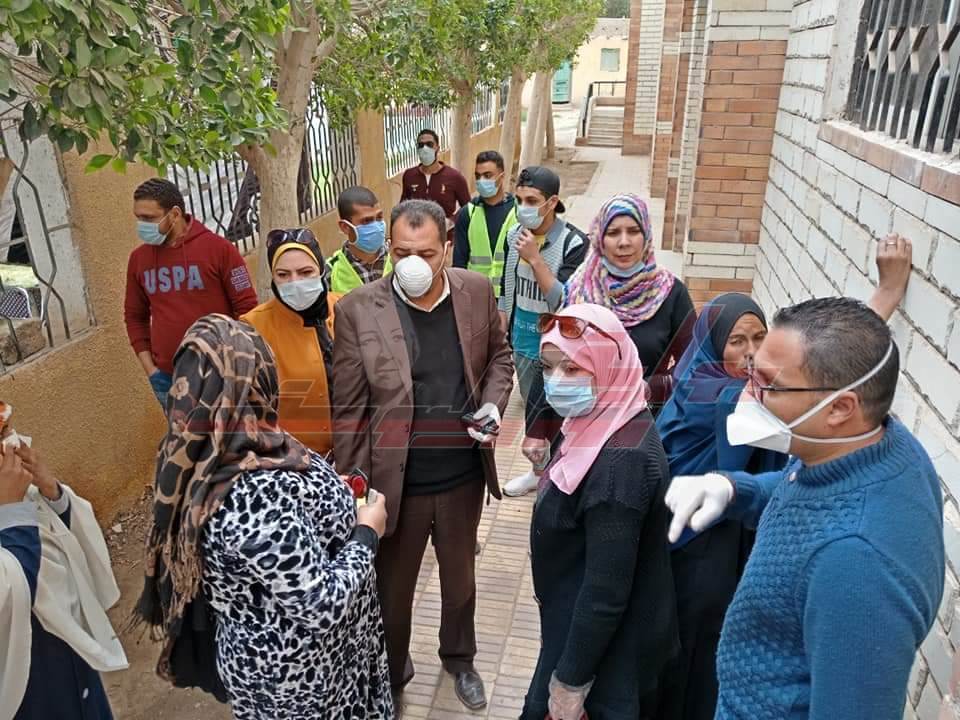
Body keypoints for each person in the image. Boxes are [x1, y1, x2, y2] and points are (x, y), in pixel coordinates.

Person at [654, 236, 914, 720]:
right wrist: (884, 297)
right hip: (696, 552)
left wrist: (736, 488)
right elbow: (828, 377)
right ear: (710, 343)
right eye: (737, 341)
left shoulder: (858, 552)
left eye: (760, 339)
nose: (752, 356)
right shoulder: (714, 394)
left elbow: (825, 381)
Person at [134, 315, 393, 719]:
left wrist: (328, 491)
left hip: (311, 665)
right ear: (252, 382)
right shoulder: (251, 492)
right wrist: (366, 533)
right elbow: (319, 604)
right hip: (304, 680)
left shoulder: (220, 448)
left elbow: (284, 525)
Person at [332, 199, 514, 711]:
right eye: (402, 252)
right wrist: (355, 490)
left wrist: (493, 405)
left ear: (447, 249)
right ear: (389, 248)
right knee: (392, 593)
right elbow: (348, 410)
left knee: (460, 584)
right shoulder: (357, 309)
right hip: (395, 487)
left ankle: (460, 659)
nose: (413, 264)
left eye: (427, 253)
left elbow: (499, 358)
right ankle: (392, 674)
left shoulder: (475, 292)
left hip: (462, 477)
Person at [520, 304, 679, 720]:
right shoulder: (603, 418)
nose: (556, 381)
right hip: (579, 629)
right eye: (548, 367)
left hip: (605, 659)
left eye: (573, 368)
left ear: (609, 365)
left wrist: (570, 684)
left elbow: (604, 593)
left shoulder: (620, 464)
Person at [0, 403, 127, 720]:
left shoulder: (16, 491)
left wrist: (52, 491)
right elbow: (10, 595)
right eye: (3, 437)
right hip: (31, 677)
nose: (13, 444)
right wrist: (11, 514)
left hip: (72, 648)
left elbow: (59, 536)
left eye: (7, 430)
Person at [124, 177, 258, 410]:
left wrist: (238, 366)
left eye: (149, 218)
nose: (142, 225)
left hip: (221, 374)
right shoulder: (139, 259)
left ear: (175, 214)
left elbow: (247, 309)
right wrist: (152, 371)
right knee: (184, 436)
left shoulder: (220, 250)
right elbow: (135, 316)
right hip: (168, 378)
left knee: (231, 433)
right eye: (139, 218)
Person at [499, 166, 588, 498]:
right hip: (523, 340)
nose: (523, 208)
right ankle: (539, 473)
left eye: (532, 201)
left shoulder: (574, 243)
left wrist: (536, 260)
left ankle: (567, 474)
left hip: (559, 349)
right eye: (519, 199)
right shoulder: (514, 234)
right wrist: (503, 324)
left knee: (563, 414)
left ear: (552, 202)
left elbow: (565, 299)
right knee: (535, 413)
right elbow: (507, 283)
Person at [241, 228, 337, 457]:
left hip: (357, 451)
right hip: (294, 458)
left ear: (321, 269)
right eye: (283, 275)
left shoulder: (348, 307)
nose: (295, 282)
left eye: (305, 272)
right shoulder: (253, 326)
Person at [453, 150, 518, 296]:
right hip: (476, 295)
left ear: (502, 177)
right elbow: (459, 262)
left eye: (487, 175)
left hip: (509, 296)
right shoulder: (468, 213)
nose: (481, 181)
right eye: (478, 176)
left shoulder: (517, 212)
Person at [400, 129, 470, 239]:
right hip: (417, 238)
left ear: (437, 147)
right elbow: (402, 207)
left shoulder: (454, 177)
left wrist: (451, 221)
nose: (425, 149)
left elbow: (468, 208)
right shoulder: (409, 175)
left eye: (429, 144)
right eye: (421, 145)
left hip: (444, 238)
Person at [327, 186, 393, 295]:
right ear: (345, 227)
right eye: (367, 221)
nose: (377, 227)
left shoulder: (398, 259)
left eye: (379, 217)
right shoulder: (331, 272)